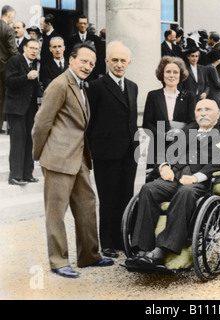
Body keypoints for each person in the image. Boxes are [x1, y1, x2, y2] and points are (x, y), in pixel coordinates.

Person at [32, 42, 114, 279]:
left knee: (87, 205)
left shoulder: (79, 86)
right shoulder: (59, 85)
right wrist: (40, 156)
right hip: (57, 158)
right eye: (83, 61)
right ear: (71, 60)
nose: (87, 66)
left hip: (78, 157)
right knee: (56, 212)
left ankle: (89, 255)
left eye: (91, 63)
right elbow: (41, 124)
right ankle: (58, 261)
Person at [127, 99, 220, 271]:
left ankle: (160, 251)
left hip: (199, 185)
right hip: (173, 179)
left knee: (185, 192)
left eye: (208, 109)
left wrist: (196, 177)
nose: (203, 113)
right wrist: (164, 167)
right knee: (148, 189)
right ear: (194, 114)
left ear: (218, 114)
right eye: (199, 109)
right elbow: (164, 151)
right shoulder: (188, 129)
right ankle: (142, 250)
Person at [87, 41, 139, 259]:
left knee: (125, 196)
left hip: (129, 152)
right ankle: (107, 242)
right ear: (107, 61)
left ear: (129, 63)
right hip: (106, 152)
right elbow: (90, 120)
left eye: (123, 61)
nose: (119, 64)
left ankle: (120, 238)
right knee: (107, 198)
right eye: (115, 60)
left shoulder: (133, 86)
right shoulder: (96, 86)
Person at [143, 56, 196, 177]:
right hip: (158, 148)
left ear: (180, 75)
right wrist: (164, 135)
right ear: (162, 74)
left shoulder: (189, 96)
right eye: (168, 72)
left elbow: (193, 122)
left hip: (181, 148)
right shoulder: (153, 96)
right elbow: (147, 123)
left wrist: (179, 133)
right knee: (155, 185)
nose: (171, 75)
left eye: (175, 72)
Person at [4, 39, 41, 186]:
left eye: (36, 49)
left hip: (30, 109)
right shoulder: (15, 61)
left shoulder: (34, 64)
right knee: (18, 141)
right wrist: (26, 77)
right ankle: (15, 176)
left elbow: (35, 86)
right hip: (16, 108)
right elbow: (9, 81)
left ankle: (27, 174)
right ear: (24, 48)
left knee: (29, 140)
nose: (34, 51)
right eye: (31, 48)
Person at [67, 15, 104, 79]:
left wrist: (98, 72)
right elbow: (69, 56)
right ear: (77, 24)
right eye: (81, 23)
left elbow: (100, 56)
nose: (82, 25)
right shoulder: (71, 40)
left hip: (92, 73)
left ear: (87, 25)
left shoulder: (95, 39)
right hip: (77, 73)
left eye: (84, 23)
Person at [0, 5, 19, 134]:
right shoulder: (8, 29)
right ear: (8, 15)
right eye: (13, 16)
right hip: (3, 67)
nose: (13, 19)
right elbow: (13, 51)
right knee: (2, 96)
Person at [206, 49, 220, 126]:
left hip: (211, 93)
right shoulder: (212, 68)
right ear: (218, 59)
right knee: (217, 113)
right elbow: (217, 84)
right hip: (215, 94)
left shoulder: (208, 67)